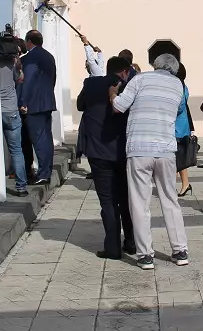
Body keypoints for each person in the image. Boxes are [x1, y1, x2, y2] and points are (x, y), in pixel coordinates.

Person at [110, 53, 189, 270]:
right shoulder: (178, 85)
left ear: (155, 65)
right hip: (166, 149)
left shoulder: (140, 79)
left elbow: (119, 106)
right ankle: (180, 250)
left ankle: (145, 255)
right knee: (170, 200)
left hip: (139, 148)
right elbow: (179, 109)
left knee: (140, 202)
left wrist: (113, 93)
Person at [78, 56, 134, 259]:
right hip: (123, 152)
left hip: (98, 151)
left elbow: (80, 105)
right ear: (125, 71)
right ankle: (131, 242)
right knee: (126, 199)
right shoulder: (130, 87)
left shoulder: (91, 83)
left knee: (108, 201)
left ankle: (112, 247)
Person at [19, 29, 58, 185]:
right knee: (46, 139)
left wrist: (23, 101)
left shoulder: (30, 58)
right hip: (46, 102)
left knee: (39, 140)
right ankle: (46, 171)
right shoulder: (49, 56)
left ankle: (43, 173)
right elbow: (52, 79)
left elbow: (27, 81)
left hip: (34, 105)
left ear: (29, 41)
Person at [0, 48, 29, 197]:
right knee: (16, 150)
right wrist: (17, 59)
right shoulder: (13, 63)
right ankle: (21, 187)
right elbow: (20, 79)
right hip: (11, 110)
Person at [175, 64, 194, 197]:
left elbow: (180, 106)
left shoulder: (179, 87)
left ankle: (176, 185)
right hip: (181, 126)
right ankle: (185, 184)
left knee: (175, 158)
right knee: (179, 159)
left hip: (178, 127)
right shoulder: (183, 86)